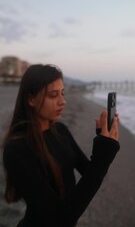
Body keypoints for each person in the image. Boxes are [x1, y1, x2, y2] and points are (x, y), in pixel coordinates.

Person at [2, 64, 120, 227]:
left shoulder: (60, 130)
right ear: (31, 99)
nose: (62, 101)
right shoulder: (16, 150)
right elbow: (59, 219)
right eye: (53, 95)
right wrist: (103, 156)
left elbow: (91, 172)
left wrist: (101, 141)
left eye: (62, 93)